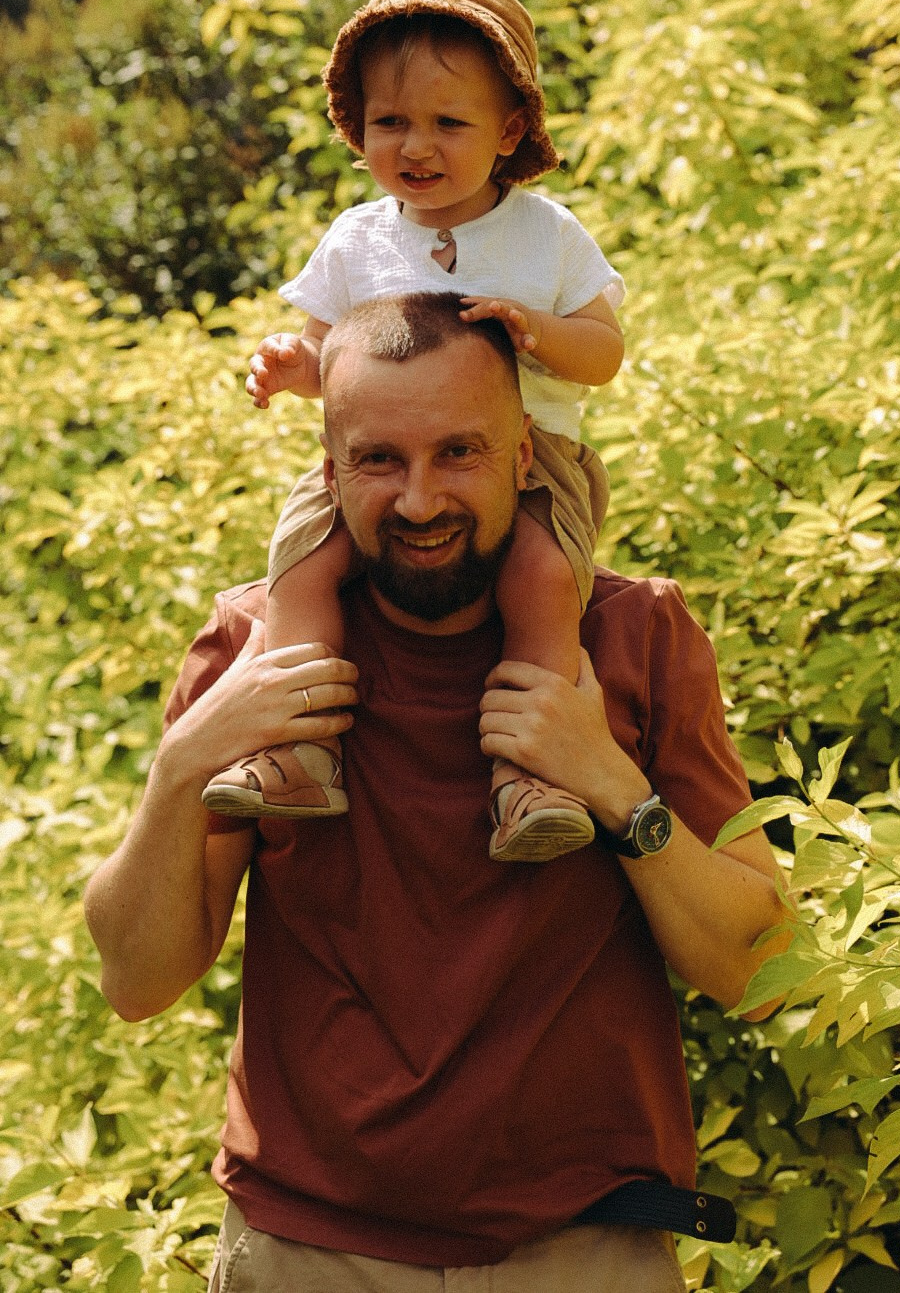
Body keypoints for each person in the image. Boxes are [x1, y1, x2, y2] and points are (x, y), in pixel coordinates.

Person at [84, 293, 789, 1292]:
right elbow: (138, 981)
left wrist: (612, 787)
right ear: (328, 473)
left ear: (526, 459)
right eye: (379, 460)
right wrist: (183, 763)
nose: (419, 501)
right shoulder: (255, 650)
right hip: (306, 1248)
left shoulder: (636, 636)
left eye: (458, 453)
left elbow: (763, 970)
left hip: (587, 1249)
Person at [202, 0, 625, 865]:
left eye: (448, 122)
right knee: (303, 568)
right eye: (390, 121)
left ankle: (532, 774)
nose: (416, 146)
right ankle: (301, 750)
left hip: (529, 457)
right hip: (383, 463)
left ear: (509, 129)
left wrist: (538, 332)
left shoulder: (544, 234)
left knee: (543, 583)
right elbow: (334, 362)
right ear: (356, 126)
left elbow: (607, 351)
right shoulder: (358, 237)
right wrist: (295, 367)